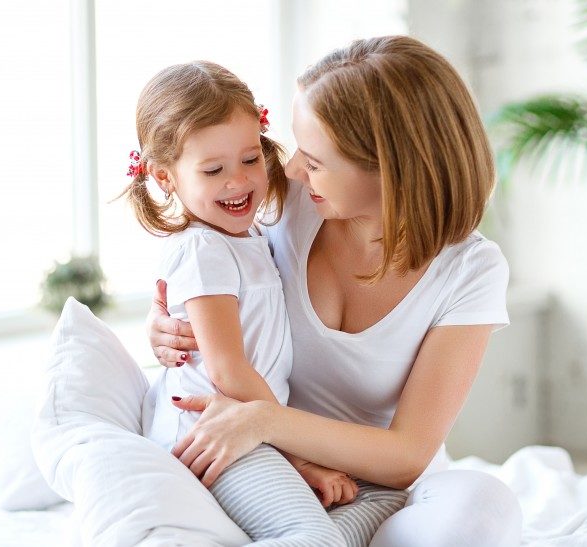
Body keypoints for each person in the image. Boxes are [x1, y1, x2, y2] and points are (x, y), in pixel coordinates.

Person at [148, 37, 524, 547]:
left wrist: (266, 421)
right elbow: (206, 249)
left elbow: (407, 456)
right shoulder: (292, 198)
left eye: (316, 159)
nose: (292, 169)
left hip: (374, 485)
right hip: (263, 461)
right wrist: (170, 325)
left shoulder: (469, 271)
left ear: (391, 169)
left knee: (484, 507)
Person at [121, 60, 405, 546]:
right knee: (314, 536)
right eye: (213, 170)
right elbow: (228, 370)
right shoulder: (203, 248)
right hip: (215, 434)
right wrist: (300, 458)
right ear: (165, 178)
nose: (239, 182)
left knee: (385, 498)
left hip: (252, 429)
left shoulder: (246, 235)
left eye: (250, 159)